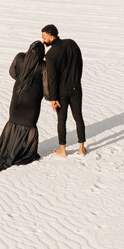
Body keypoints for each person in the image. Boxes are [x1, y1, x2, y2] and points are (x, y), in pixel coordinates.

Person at [0, 40, 46, 171]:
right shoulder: (42, 65)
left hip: (18, 96)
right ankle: (25, 152)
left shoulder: (20, 57)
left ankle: (7, 150)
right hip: (33, 100)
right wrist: (49, 97)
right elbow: (46, 87)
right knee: (29, 125)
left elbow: (12, 72)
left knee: (13, 122)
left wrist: (21, 79)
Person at [41, 24, 85, 156]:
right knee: (78, 117)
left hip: (61, 92)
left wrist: (53, 98)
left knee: (62, 120)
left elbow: (52, 79)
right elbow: (80, 63)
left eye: (45, 37)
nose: (43, 40)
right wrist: (77, 80)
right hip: (76, 87)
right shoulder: (72, 43)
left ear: (51, 36)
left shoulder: (50, 55)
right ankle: (81, 149)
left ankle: (63, 150)